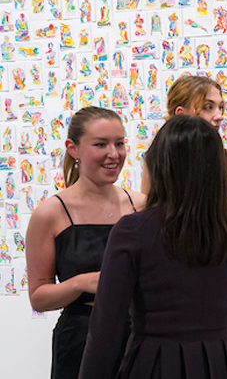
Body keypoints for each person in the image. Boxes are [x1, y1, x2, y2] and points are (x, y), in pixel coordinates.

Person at [79, 115, 227, 379]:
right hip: (224, 360)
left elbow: (107, 328)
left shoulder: (133, 231)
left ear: (160, 165)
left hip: (155, 362)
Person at [25, 107, 146, 379]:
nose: (113, 154)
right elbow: (39, 297)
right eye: (100, 144)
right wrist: (83, 283)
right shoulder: (50, 213)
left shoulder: (142, 206)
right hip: (81, 339)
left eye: (119, 143)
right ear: (73, 149)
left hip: (140, 337)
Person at [140, 75, 227, 212]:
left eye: (220, 107)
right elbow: (147, 214)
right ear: (180, 114)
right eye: (208, 107)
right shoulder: (155, 158)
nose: (219, 116)